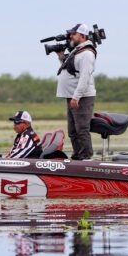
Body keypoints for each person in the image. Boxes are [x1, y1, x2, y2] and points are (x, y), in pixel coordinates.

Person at [56, 23, 96, 160]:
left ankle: (85, 157)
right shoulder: (77, 50)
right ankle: (77, 156)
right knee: (72, 131)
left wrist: (76, 97)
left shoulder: (87, 53)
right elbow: (70, 69)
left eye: (74, 34)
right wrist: (61, 56)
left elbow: (84, 78)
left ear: (82, 36)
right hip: (72, 96)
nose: (70, 36)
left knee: (81, 129)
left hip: (82, 97)